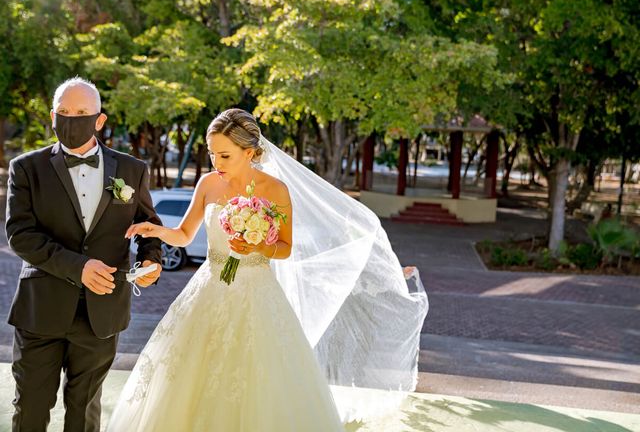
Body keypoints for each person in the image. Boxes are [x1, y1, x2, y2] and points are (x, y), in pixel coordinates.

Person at [108, 108, 428, 430]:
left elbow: (285, 248)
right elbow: (185, 235)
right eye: (211, 154)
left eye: (225, 155)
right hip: (209, 287)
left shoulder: (275, 190)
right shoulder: (207, 184)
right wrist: (158, 232)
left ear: (250, 152)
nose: (216, 163)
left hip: (257, 293)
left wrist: (259, 245)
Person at [5, 77, 163, 431]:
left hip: (103, 310)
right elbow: (20, 234)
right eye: (64, 112)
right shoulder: (26, 167)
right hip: (40, 310)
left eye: (81, 113)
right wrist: (79, 267)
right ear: (52, 116)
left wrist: (151, 260)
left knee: (85, 413)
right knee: (30, 407)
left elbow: (148, 228)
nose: (71, 119)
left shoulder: (131, 170)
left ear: (99, 120)